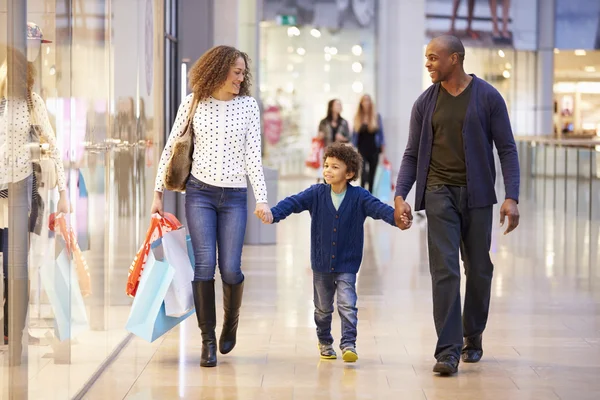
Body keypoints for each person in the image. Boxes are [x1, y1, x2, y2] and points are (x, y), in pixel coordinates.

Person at [393, 35, 520, 376]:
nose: (428, 63)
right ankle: (447, 351)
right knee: (444, 269)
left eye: (434, 57)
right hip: (438, 192)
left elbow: (507, 148)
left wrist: (512, 196)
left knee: (479, 269)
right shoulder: (425, 103)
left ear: (455, 58)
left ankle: (472, 335)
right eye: (426, 57)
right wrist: (400, 194)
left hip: (477, 196)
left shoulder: (488, 97)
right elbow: (411, 153)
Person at [151, 45, 271, 368]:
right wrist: (158, 191)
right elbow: (171, 147)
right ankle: (207, 340)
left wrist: (262, 198)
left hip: (233, 197)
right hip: (200, 194)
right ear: (219, 70)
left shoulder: (248, 107)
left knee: (230, 267)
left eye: (243, 73)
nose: (241, 78)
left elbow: (253, 158)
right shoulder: (193, 102)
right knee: (204, 264)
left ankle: (230, 323)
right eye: (236, 71)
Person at [257, 143, 410, 362]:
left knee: (347, 304)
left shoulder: (360, 197)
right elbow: (293, 202)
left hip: (348, 263)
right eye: (326, 165)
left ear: (349, 173)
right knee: (322, 309)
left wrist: (398, 220)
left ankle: (349, 344)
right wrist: (273, 214)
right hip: (321, 264)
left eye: (334, 167)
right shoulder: (316, 193)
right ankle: (325, 341)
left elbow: (381, 210)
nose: (327, 170)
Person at [1, 45, 69, 349]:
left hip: (17, 191)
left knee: (15, 264)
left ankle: (12, 331)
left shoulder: (30, 102)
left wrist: (64, 191)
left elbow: (51, 145)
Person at [351, 94, 385, 193]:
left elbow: (381, 133)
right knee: (363, 173)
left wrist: (383, 147)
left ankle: (370, 194)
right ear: (361, 103)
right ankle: (362, 193)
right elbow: (354, 135)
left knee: (372, 174)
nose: (366, 103)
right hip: (362, 149)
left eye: (368, 100)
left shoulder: (376, 117)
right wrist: (352, 147)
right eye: (364, 100)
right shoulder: (357, 117)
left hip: (374, 148)